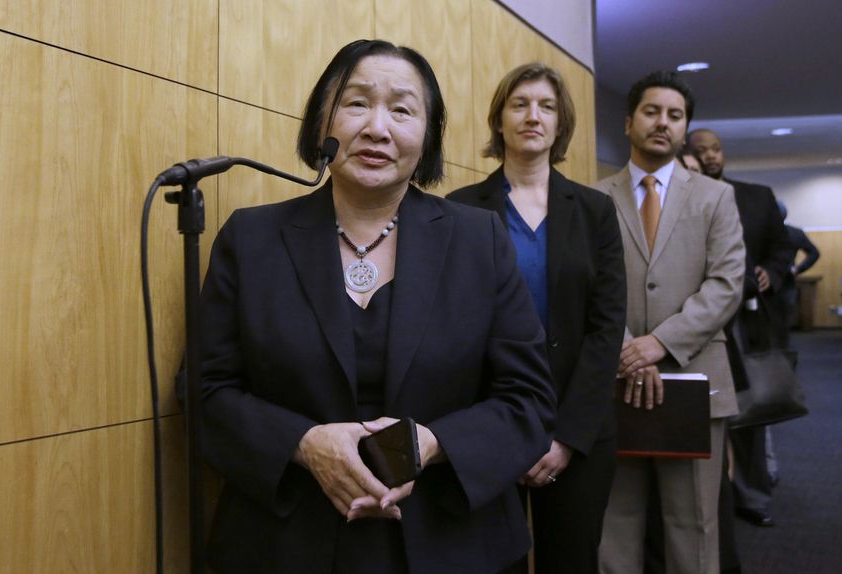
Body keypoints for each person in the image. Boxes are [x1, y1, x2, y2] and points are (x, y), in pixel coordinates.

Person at [196, 39, 556, 574]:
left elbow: (529, 399)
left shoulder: (479, 240)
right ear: (322, 121)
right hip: (286, 540)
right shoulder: (251, 239)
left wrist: (431, 443)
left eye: (402, 110)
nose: (377, 128)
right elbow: (206, 391)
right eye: (357, 103)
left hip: (451, 538)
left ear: (428, 136)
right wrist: (304, 443)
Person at [448, 63, 627, 574]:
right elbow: (450, 327)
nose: (533, 116)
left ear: (561, 123)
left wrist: (566, 436)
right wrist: (495, 432)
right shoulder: (459, 211)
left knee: (571, 561)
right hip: (486, 424)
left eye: (546, 106)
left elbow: (606, 328)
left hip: (578, 425)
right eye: (520, 104)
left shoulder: (595, 211)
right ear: (498, 119)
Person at [594, 71, 745, 574]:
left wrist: (658, 343)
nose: (663, 122)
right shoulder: (594, 198)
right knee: (615, 520)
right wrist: (627, 350)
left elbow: (726, 284)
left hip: (694, 379)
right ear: (628, 122)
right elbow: (587, 286)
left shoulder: (715, 197)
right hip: (614, 378)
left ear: (684, 129)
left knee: (693, 524)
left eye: (675, 116)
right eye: (652, 111)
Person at [690, 128, 794, 530]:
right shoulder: (683, 197)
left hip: (747, 320)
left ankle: (752, 497)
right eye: (702, 151)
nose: (711, 156)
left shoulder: (756, 196)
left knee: (750, 413)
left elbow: (782, 246)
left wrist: (772, 271)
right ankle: (709, 502)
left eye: (715, 149)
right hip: (695, 317)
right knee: (701, 414)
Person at [778, 200, 821, 328]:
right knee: (784, 318)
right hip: (787, 279)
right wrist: (798, 269)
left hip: (770, 280)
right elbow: (814, 253)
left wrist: (799, 269)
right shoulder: (795, 233)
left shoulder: (761, 233)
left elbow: (814, 253)